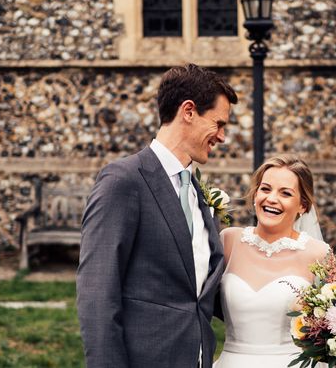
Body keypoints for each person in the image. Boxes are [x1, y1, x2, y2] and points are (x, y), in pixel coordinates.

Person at [76, 64, 238, 367]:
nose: (222, 137)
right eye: (218, 124)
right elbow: (97, 293)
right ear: (188, 111)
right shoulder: (123, 181)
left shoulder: (198, 193)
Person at [214, 156, 330, 368]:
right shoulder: (228, 241)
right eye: (265, 189)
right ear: (255, 193)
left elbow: (333, 327)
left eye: (285, 193)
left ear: (303, 205)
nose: (271, 199)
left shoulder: (319, 254)